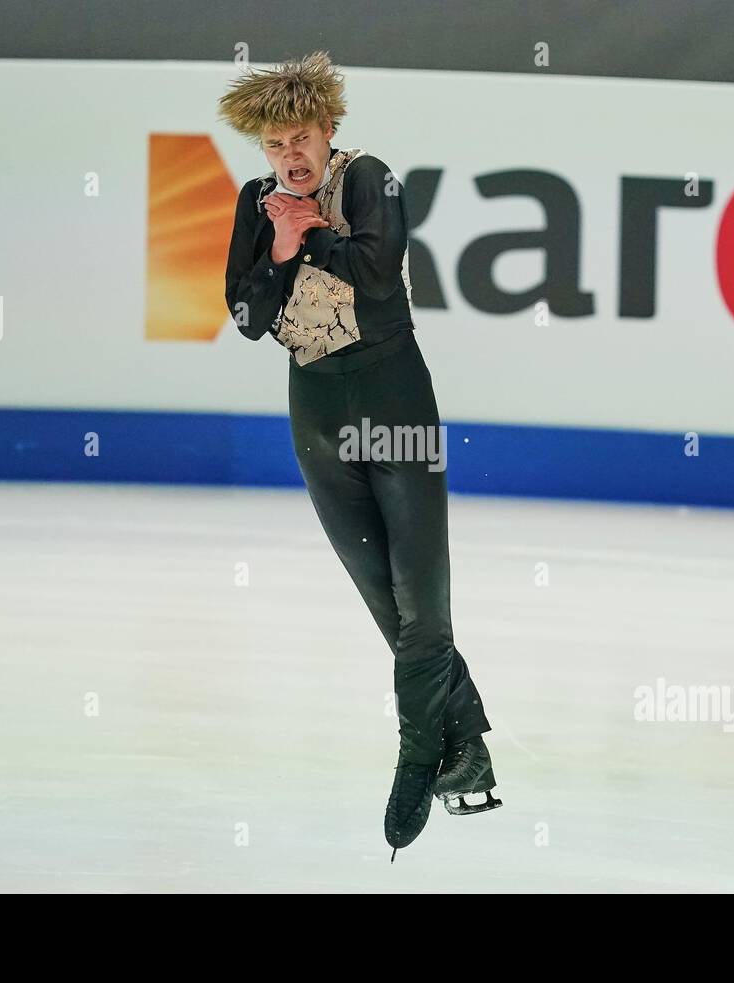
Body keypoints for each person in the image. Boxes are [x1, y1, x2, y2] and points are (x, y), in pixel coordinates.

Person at [219, 50, 501, 860]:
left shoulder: (371, 178)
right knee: (385, 600)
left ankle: (419, 760)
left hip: (395, 404)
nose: (290, 158)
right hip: (317, 417)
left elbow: (379, 275)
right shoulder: (256, 203)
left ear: (329, 128)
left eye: (301, 138)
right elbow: (244, 314)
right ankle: (466, 744)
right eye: (275, 147)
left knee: (424, 601)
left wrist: (305, 240)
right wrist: (277, 251)